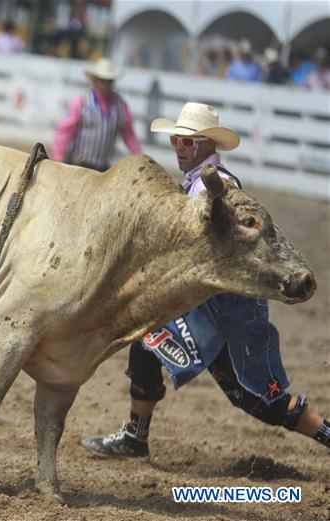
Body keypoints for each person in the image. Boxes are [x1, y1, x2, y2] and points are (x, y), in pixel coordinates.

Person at [80, 102, 330, 459]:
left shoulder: (215, 187)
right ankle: (136, 436)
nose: (177, 147)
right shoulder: (201, 184)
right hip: (214, 305)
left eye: (184, 142)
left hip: (227, 310)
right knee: (149, 343)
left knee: (257, 397)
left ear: (204, 144)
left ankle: (326, 432)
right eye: (176, 141)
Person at [52, 58, 142, 171]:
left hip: (103, 169)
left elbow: (128, 134)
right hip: (79, 164)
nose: (105, 83)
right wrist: (58, 160)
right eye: (102, 79)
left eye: (108, 80)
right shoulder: (81, 101)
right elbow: (64, 131)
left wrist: (139, 157)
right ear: (94, 80)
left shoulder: (120, 105)